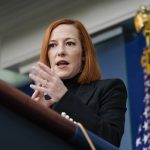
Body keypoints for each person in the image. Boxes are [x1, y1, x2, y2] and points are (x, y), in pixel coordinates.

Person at [29, 18, 127, 147]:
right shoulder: (43, 101)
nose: (60, 52)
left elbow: (111, 140)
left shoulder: (110, 88)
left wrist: (64, 97)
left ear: (84, 54)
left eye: (69, 43)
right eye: (53, 45)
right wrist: (34, 115)